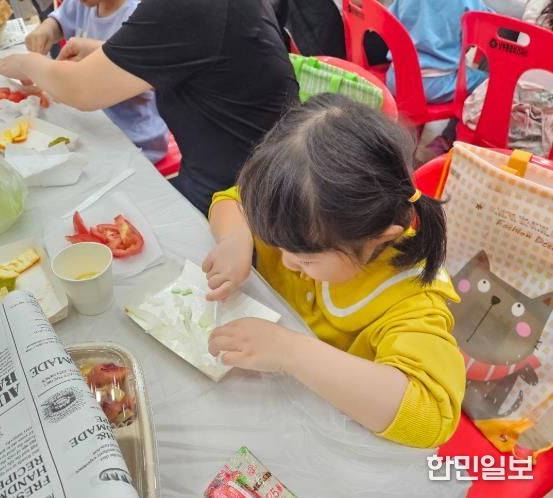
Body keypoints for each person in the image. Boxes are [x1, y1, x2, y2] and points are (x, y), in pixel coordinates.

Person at [204, 94, 465, 448]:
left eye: (306, 259)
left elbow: (430, 416)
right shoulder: (300, 216)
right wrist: (236, 238)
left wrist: (288, 351)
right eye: (278, 246)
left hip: (326, 434)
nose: (286, 262)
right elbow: (232, 200)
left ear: (379, 238)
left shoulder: (411, 299)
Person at [0, 0, 298, 215]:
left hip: (242, 195)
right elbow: (195, 51)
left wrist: (24, 62)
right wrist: (108, 52)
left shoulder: (186, 6)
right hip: (247, 170)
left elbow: (81, 90)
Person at [24, 0, 168, 163]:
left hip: (134, 137)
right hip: (92, 122)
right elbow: (59, 21)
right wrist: (46, 30)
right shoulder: (82, 3)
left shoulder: (140, 16)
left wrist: (94, 57)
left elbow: (142, 70)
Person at [462, 0, 553, 156]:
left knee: (499, 48)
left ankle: (447, 139)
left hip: (484, 116)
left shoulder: (538, 6)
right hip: (540, 143)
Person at [387, 0, 492, 104]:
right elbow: (483, 28)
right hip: (435, 85)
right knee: (492, 83)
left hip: (395, 79)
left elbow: (390, 20)